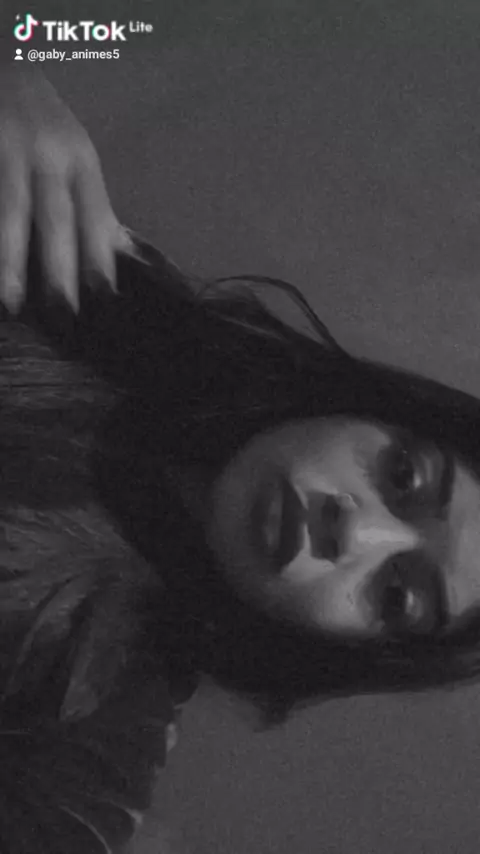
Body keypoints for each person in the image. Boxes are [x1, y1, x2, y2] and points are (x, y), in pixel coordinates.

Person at [2, 60, 480, 852]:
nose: (353, 531)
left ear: (345, 650)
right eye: (403, 476)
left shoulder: (98, 726)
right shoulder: (106, 284)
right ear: (370, 408)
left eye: (397, 595)